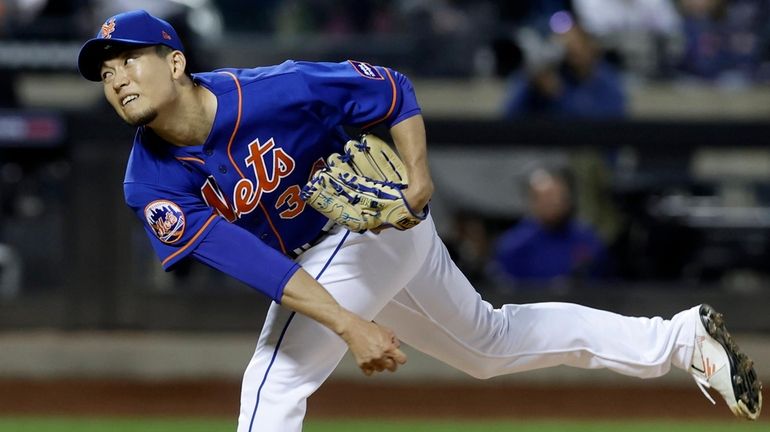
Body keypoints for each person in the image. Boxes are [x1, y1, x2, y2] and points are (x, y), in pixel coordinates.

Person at [76, 10, 762, 431]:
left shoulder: (276, 89)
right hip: (334, 256)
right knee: (489, 345)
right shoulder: (150, 181)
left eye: (128, 60)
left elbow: (391, 88)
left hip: (371, 228)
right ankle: (676, 340)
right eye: (104, 73)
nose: (117, 79)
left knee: (272, 381)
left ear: (174, 61)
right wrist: (351, 322)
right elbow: (255, 264)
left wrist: (419, 179)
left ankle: (675, 341)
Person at [493, 168, 609, 283]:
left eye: (559, 196)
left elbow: (606, 282)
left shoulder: (588, 240)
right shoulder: (513, 246)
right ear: (532, 202)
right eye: (547, 198)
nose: (554, 203)